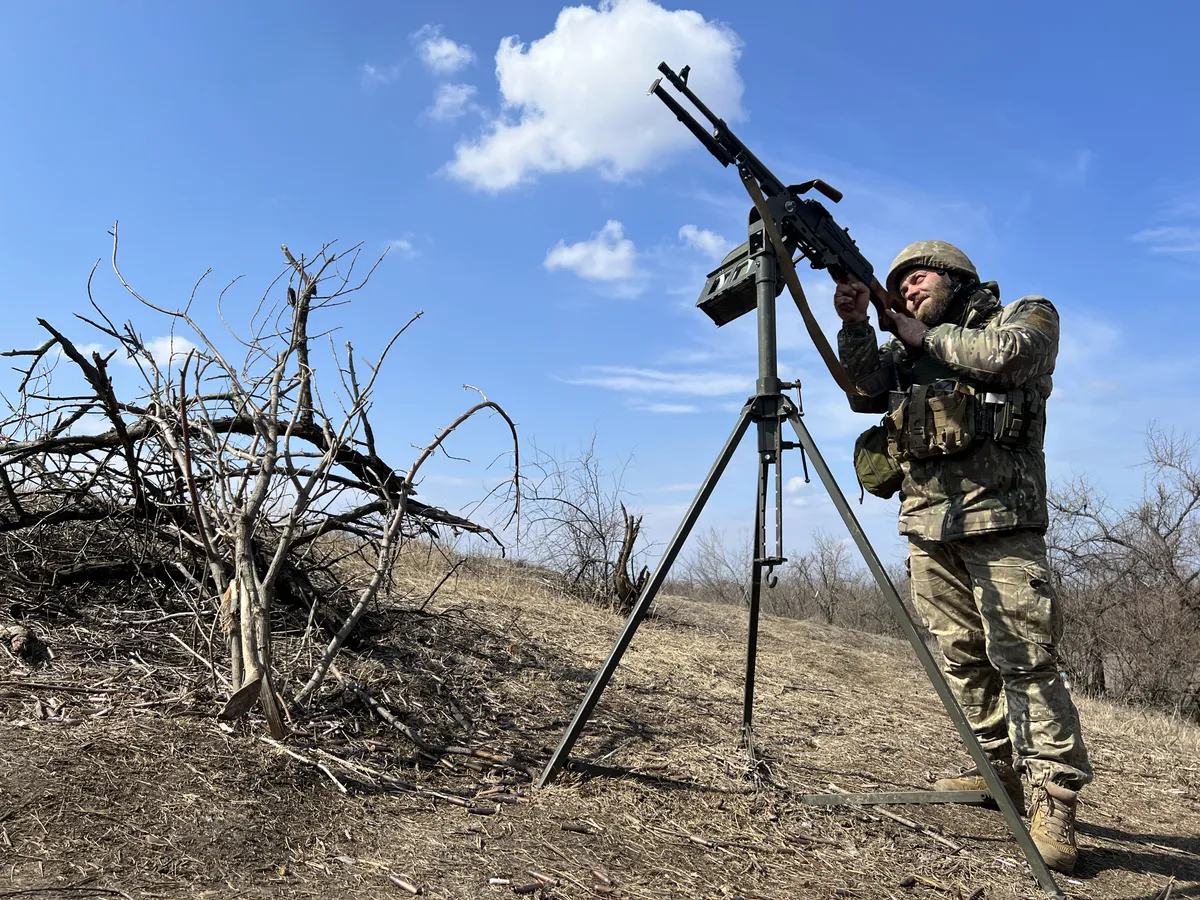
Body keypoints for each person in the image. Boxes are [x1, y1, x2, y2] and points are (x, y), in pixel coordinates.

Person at [833, 240, 1091, 874]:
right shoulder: (907, 348)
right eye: (902, 285)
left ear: (955, 278)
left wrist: (926, 337)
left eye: (919, 279)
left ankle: (1053, 799)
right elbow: (864, 393)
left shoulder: (1023, 317)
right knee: (959, 654)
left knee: (1026, 661)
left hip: (1003, 521)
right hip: (928, 523)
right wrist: (856, 324)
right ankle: (993, 768)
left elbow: (1011, 359)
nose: (910, 290)